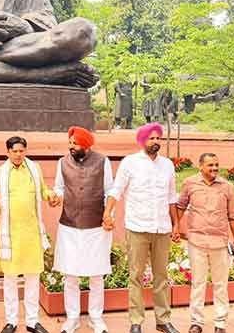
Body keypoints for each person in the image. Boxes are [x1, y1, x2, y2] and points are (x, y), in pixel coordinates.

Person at [103, 122, 181, 333]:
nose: (155, 141)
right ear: (142, 140)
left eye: (158, 138)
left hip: (162, 228)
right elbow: (117, 190)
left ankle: (163, 320)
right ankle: (136, 321)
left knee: (161, 276)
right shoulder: (130, 163)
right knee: (135, 276)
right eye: (151, 138)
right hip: (137, 227)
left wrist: (176, 224)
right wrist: (107, 213)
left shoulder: (167, 165)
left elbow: (171, 197)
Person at [0, 136, 58, 333]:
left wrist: (51, 196)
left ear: (25, 151)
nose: (18, 154)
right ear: (8, 152)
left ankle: (32, 321)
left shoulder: (34, 169)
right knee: (10, 279)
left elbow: (44, 191)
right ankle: (11, 321)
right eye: (14, 151)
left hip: (31, 233)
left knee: (33, 278)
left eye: (21, 151)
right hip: (10, 234)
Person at [52, 126, 113, 333]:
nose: (71, 147)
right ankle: (72, 318)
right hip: (69, 225)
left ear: (85, 145)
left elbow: (109, 191)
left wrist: (109, 215)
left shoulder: (103, 161)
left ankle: (96, 318)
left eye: (75, 143)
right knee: (70, 275)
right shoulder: (62, 162)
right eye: (70, 143)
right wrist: (56, 196)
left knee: (96, 275)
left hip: (96, 226)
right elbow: (59, 187)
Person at [176, 153, 234, 333]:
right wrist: (175, 228)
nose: (214, 168)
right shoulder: (190, 183)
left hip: (220, 242)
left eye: (216, 165)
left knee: (221, 285)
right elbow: (180, 207)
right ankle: (196, 322)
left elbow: (233, 215)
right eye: (210, 165)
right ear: (201, 166)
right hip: (197, 241)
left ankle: (220, 324)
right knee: (198, 283)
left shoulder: (227, 187)